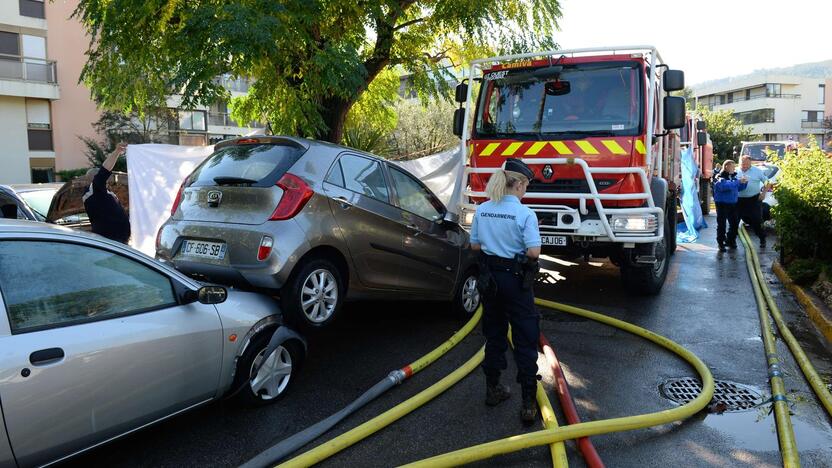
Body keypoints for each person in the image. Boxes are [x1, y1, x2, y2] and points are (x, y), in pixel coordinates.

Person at [469, 158, 542, 425]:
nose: (526, 191)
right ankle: (527, 403)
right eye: (526, 186)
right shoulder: (525, 214)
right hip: (516, 281)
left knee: (494, 334)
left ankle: (493, 389)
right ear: (519, 184)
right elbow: (533, 252)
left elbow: (475, 246)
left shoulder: (483, 209)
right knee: (525, 337)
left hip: (490, 282)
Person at [83, 143, 130, 243]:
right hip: (112, 242)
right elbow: (104, 171)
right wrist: (116, 152)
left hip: (118, 240)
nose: (107, 180)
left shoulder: (101, 193)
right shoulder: (95, 192)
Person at [712, 160, 747, 252]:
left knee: (735, 224)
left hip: (733, 204)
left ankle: (730, 240)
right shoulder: (719, 177)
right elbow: (723, 187)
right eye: (732, 167)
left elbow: (739, 188)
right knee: (721, 224)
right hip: (722, 204)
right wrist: (738, 182)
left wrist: (744, 183)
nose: (734, 168)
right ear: (726, 167)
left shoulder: (734, 177)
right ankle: (721, 243)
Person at [736, 155, 768, 248]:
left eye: (746, 164)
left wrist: (763, 193)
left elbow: (767, 182)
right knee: (734, 221)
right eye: (742, 164)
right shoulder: (736, 171)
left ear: (750, 163)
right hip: (738, 200)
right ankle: (731, 241)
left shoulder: (757, 171)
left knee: (756, 220)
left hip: (753, 199)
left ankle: (762, 239)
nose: (744, 166)